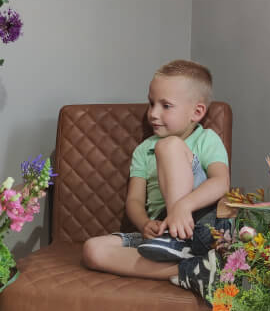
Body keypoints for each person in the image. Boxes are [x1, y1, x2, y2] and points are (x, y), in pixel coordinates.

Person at [82, 59, 231, 298]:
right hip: (158, 233)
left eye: (166, 106)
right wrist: (143, 224)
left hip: (199, 223)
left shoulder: (206, 139)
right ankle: (195, 270)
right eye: (151, 103)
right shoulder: (143, 150)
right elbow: (134, 201)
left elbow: (221, 182)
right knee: (93, 250)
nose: (153, 113)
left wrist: (182, 207)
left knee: (169, 146)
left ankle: (179, 239)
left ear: (197, 112)